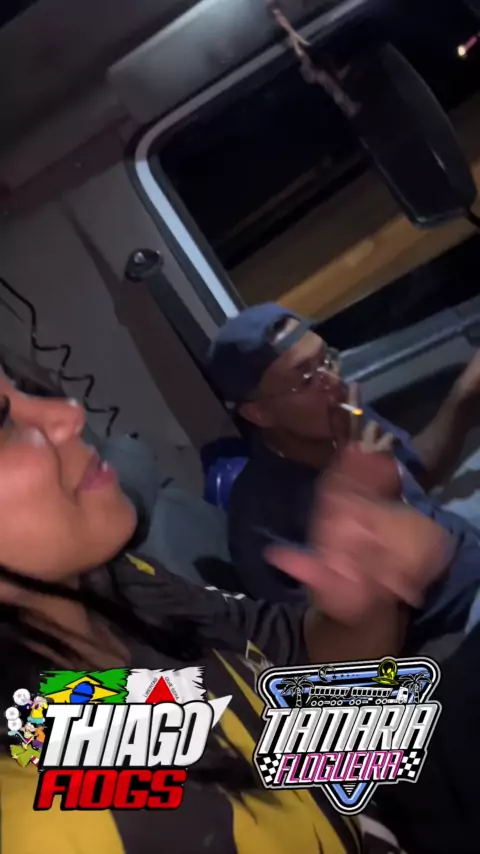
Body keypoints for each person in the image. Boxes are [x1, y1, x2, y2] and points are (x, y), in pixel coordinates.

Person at [0, 366, 452, 853]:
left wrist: (366, 599)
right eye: (3, 424)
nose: (68, 413)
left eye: (25, 387)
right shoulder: (54, 826)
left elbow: (295, 749)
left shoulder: (123, 583)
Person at [207, 303, 480, 651]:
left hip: (460, 537)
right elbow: (356, 654)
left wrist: (465, 393)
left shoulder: (342, 412)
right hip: (452, 622)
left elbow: (417, 475)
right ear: (259, 413)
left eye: (327, 359)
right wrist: (376, 510)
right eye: (306, 379)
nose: (333, 381)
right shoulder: (264, 526)